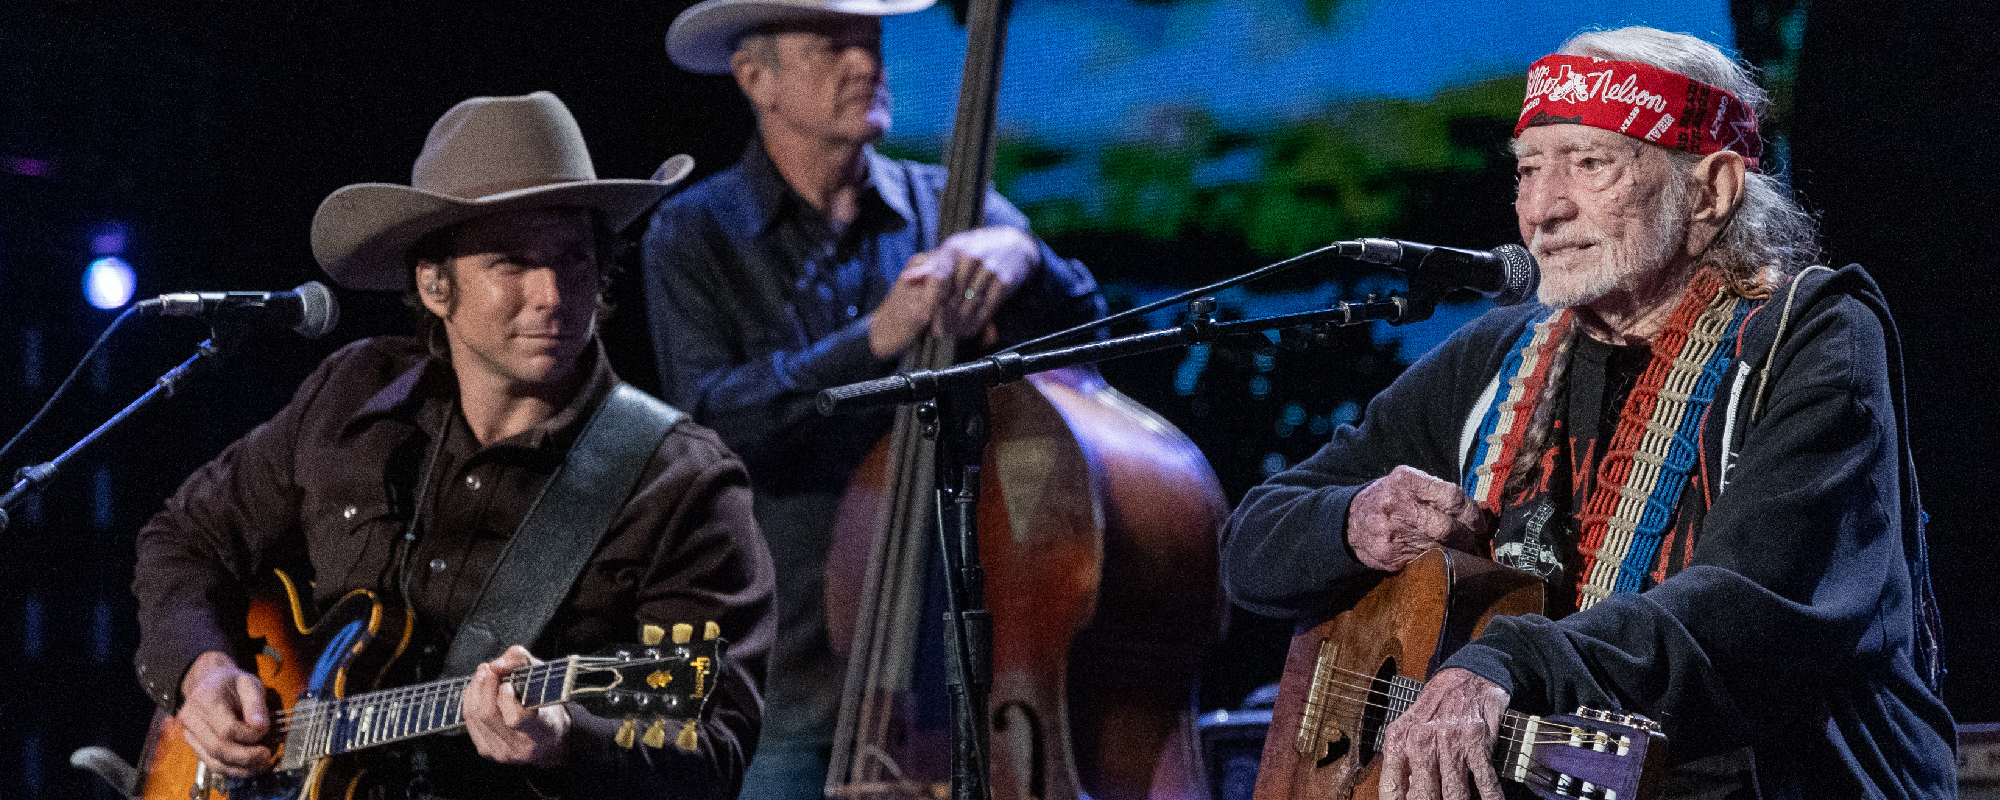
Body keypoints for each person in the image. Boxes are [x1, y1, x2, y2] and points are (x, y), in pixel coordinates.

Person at [1221, 27, 1955, 800]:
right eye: (1528, 170)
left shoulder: (1810, 335)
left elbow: (1751, 607)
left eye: (1590, 163)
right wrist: (1355, 520)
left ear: (1711, 192)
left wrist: (1506, 662)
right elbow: (1252, 542)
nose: (1541, 210)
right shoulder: (1496, 356)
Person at [131, 91, 777, 800]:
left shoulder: (682, 483)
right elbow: (186, 537)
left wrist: (563, 743)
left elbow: (709, 747)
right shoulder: (351, 395)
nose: (553, 293)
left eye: (573, 259)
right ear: (435, 285)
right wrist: (204, 671)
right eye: (511, 263)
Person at [640, 1, 1105, 797]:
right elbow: (714, 424)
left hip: (958, 654)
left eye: (872, 43)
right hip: (789, 670)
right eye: (831, 48)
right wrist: (876, 340)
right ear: (757, 79)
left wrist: (1022, 251)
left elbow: (1087, 349)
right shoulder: (693, 234)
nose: (866, 65)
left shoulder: (946, 205)